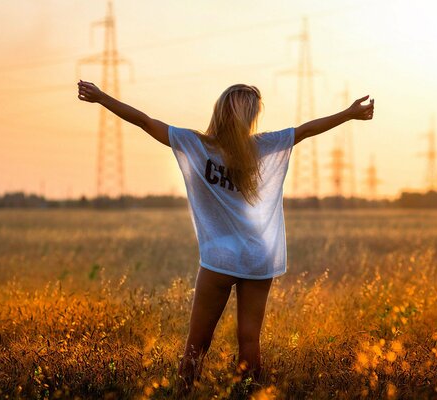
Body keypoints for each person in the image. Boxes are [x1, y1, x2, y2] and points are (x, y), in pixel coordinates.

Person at [77, 81, 374, 393]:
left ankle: (183, 393)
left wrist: (101, 98)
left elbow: (145, 121)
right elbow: (305, 130)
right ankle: (251, 393)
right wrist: (349, 113)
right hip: (259, 254)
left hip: (221, 256)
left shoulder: (195, 144)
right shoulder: (261, 146)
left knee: (198, 342)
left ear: (219, 112)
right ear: (251, 118)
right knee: (249, 339)